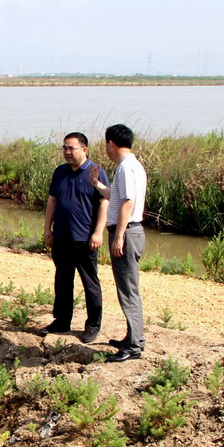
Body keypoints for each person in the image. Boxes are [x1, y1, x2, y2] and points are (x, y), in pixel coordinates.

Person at [40, 132, 109, 343]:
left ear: (84, 150)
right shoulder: (60, 171)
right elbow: (52, 200)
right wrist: (47, 228)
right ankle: (62, 321)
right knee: (62, 281)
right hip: (62, 237)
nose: (67, 152)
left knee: (90, 283)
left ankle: (93, 325)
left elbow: (104, 203)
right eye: (65, 148)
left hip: (85, 239)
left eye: (72, 148)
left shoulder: (96, 172)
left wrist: (98, 232)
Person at [89, 124, 148, 362]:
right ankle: (133, 338)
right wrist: (98, 185)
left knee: (128, 291)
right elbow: (116, 197)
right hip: (129, 231)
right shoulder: (130, 165)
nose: (106, 148)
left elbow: (127, 203)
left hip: (128, 232)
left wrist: (120, 236)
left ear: (111, 143)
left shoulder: (126, 167)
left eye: (106, 144)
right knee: (127, 288)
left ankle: (134, 346)